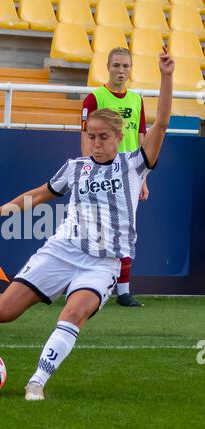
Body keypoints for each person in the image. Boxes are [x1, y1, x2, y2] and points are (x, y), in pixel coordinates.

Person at [0, 47, 174, 401]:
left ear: (118, 137)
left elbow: (160, 124)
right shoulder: (75, 167)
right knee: (6, 312)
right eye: (92, 136)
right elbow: (37, 195)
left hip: (102, 263)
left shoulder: (133, 165)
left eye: (103, 137)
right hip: (62, 251)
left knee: (73, 312)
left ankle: (36, 382)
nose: (96, 143)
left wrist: (167, 76)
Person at [81, 47, 148, 307]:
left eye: (126, 66)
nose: (121, 71)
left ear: (131, 69)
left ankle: (123, 291)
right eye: (116, 65)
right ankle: (88, 285)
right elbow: (86, 137)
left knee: (126, 231)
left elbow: (142, 139)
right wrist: (89, 171)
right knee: (96, 228)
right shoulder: (94, 98)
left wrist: (143, 178)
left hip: (130, 175)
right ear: (107, 67)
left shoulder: (137, 100)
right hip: (102, 173)